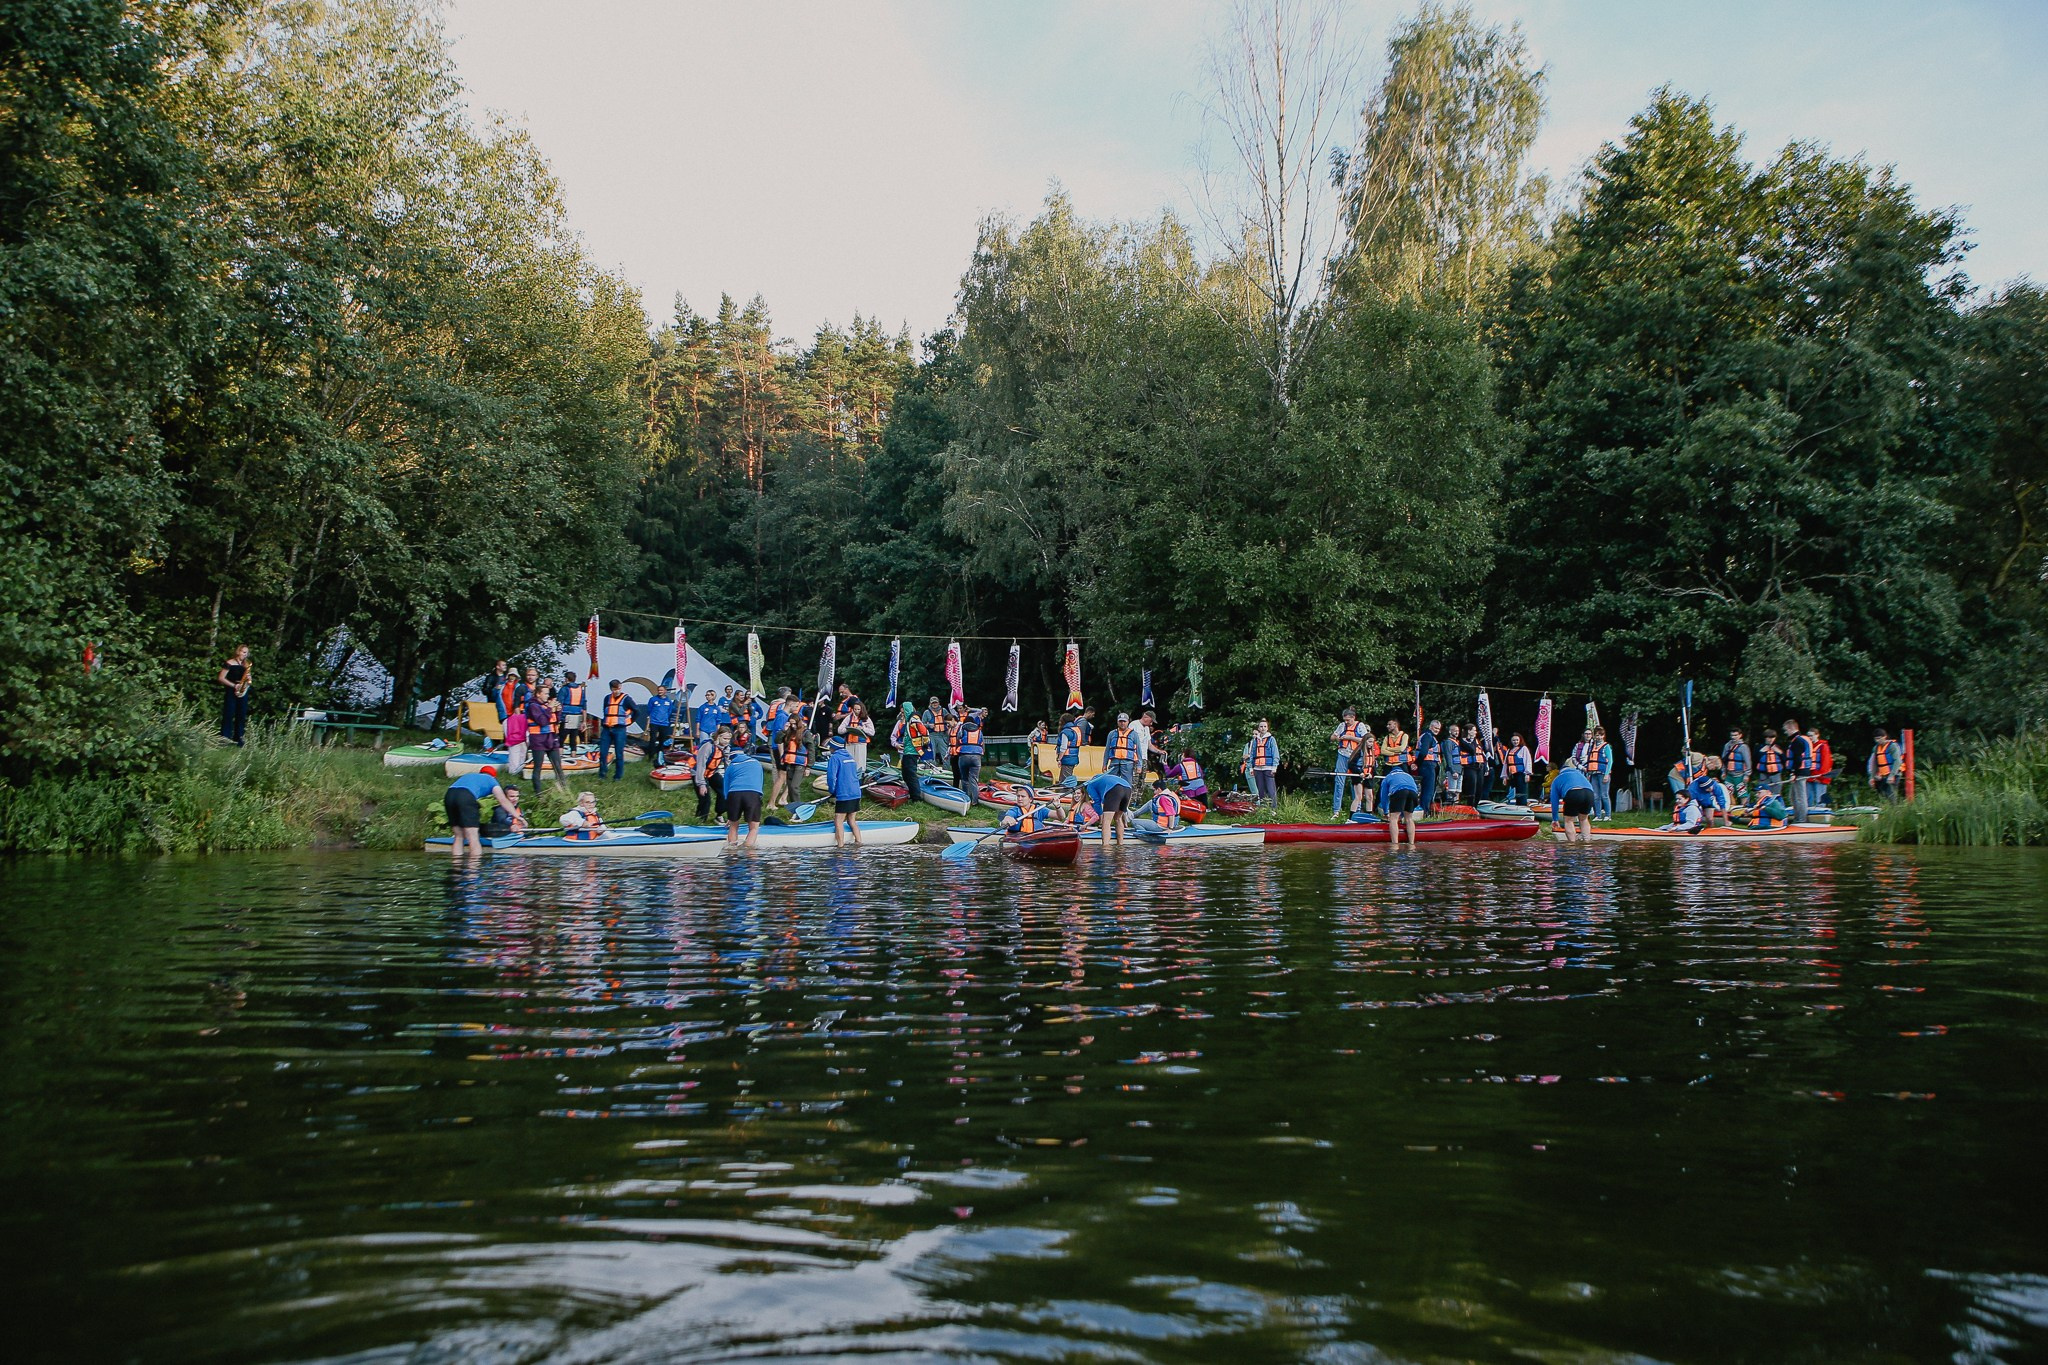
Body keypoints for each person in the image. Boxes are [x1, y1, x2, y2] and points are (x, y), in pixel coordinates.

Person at [443, 764, 508, 855]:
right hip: (465, 796)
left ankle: (456, 865)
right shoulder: (491, 780)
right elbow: (503, 801)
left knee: (459, 835)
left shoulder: (470, 776)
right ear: (494, 776)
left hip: (449, 795)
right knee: (473, 837)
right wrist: (517, 816)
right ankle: (474, 867)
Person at [722, 742, 765, 849]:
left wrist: (730, 813)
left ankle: (732, 852)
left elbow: (725, 788)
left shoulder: (731, 767)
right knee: (753, 828)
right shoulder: (756, 763)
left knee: (733, 826)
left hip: (734, 794)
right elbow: (760, 781)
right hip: (752, 793)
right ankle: (748, 851)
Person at [525, 684, 565, 792]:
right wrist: (550, 708)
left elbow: (556, 720)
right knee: (538, 767)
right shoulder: (533, 706)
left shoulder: (546, 705)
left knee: (558, 766)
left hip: (551, 738)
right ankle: (539, 794)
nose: (548, 696)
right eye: (546, 693)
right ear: (538, 694)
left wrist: (558, 711)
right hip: (538, 739)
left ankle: (564, 791)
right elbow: (542, 721)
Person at [596, 680, 639, 782]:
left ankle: (618, 776)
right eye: (614, 689)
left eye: (618, 688)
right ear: (611, 689)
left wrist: (630, 722)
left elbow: (637, 711)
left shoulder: (627, 699)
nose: (616, 691)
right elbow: (605, 711)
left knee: (619, 753)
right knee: (603, 752)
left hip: (619, 729)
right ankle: (602, 773)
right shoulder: (607, 698)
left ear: (621, 687)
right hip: (607, 729)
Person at [825, 739, 865, 846]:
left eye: (830, 746)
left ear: (833, 747)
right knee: (851, 820)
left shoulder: (834, 758)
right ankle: (859, 843)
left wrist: (832, 791)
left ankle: (840, 847)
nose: (829, 748)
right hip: (856, 792)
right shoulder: (850, 757)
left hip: (844, 793)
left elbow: (831, 777)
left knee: (838, 820)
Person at [1331, 709, 1368, 816]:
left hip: (1355, 757)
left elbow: (1366, 739)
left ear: (1353, 717)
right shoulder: (1342, 725)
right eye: (1345, 720)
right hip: (1342, 755)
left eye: (1348, 720)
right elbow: (1332, 737)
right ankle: (1336, 810)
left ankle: (1357, 810)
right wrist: (1336, 738)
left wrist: (1350, 737)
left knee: (1356, 782)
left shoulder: (1360, 726)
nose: (1346, 722)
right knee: (1339, 781)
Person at [1083, 768, 1134, 844]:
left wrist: (1101, 819)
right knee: (1118, 818)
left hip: (1114, 789)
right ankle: (1120, 844)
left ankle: (1106, 847)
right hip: (1128, 788)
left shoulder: (1090, 785)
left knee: (1106, 821)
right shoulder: (1105, 778)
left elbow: (1097, 802)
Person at [1378, 758, 1422, 847]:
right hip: (1413, 793)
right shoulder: (1409, 776)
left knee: (1393, 818)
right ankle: (1411, 844)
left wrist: (1386, 812)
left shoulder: (1388, 777)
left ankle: (1395, 844)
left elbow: (1384, 797)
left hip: (1399, 791)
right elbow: (1416, 791)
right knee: (1409, 818)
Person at [891, 704, 929, 803]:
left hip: (912, 751)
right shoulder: (909, 720)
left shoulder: (914, 719)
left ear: (908, 711)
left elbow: (924, 732)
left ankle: (916, 798)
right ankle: (911, 793)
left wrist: (925, 743)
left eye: (904, 712)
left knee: (911, 774)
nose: (902, 714)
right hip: (907, 751)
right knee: (905, 773)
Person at [1550, 762, 1596, 842]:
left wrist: (1555, 819)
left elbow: (1554, 801)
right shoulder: (1581, 775)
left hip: (1573, 793)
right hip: (1589, 793)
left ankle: (1572, 844)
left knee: (1569, 820)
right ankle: (1587, 842)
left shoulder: (1557, 779)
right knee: (1584, 819)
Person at [217, 644, 253, 744]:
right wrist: (234, 685)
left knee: (241, 714)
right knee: (228, 713)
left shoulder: (246, 665)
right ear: (238, 652)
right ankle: (225, 737)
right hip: (232, 689)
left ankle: (239, 737)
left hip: (242, 690)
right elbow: (221, 678)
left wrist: (249, 679)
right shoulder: (229, 663)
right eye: (243, 652)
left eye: (246, 653)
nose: (245, 655)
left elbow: (249, 680)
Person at [1783, 718, 1814, 824]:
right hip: (1799, 771)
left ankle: (1801, 819)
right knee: (1793, 796)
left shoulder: (1797, 741)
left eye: (1786, 730)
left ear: (1791, 729)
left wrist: (1793, 773)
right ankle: (1797, 817)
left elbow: (1798, 759)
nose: (1785, 732)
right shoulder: (1796, 740)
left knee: (1800, 797)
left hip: (1800, 772)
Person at [694, 727, 728, 823]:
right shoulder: (708, 746)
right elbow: (700, 765)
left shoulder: (726, 748)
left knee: (724, 790)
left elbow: (727, 764)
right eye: (724, 739)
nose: (726, 742)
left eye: (728, 739)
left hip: (711, 772)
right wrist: (701, 784)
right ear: (718, 737)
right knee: (705, 798)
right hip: (698, 772)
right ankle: (700, 820)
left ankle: (719, 814)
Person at [1244, 719, 1280, 809]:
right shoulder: (1256, 740)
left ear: (1267, 728)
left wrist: (1274, 767)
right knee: (1260, 790)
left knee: (1271, 790)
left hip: (1268, 767)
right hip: (1257, 768)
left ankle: (1273, 809)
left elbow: (1275, 753)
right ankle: (1263, 809)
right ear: (1258, 728)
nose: (1263, 728)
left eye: (1265, 726)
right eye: (1261, 726)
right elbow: (1252, 754)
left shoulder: (1271, 739)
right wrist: (1251, 767)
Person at [775, 713, 808, 810]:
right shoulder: (788, 732)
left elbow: (811, 749)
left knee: (794, 787)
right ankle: (794, 807)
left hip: (800, 763)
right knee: (790, 787)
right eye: (791, 724)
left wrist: (809, 766)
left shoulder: (805, 733)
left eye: (794, 724)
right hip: (789, 762)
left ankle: (799, 808)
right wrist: (784, 730)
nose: (793, 726)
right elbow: (778, 740)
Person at [955, 707, 987, 798]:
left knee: (964, 779)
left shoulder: (962, 729)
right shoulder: (979, 731)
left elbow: (958, 739)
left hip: (964, 755)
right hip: (976, 756)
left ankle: (966, 797)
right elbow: (982, 743)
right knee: (974, 779)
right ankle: (975, 800)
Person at [644, 684, 677, 766]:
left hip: (664, 723)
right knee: (653, 739)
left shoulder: (668, 701)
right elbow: (649, 710)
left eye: (661, 690)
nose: (660, 692)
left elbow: (669, 712)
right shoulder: (653, 699)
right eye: (659, 690)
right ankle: (650, 756)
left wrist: (665, 719)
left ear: (665, 691)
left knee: (662, 740)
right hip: (654, 722)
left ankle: (659, 756)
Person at [1415, 719, 1443, 813]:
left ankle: (1426, 810)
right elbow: (1423, 752)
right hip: (1427, 765)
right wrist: (1416, 763)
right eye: (1435, 728)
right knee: (1428, 790)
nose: (1437, 730)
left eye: (1438, 729)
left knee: (1428, 789)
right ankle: (1425, 811)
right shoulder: (1427, 736)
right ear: (1430, 727)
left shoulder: (1429, 736)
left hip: (1429, 764)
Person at [1103, 713, 1141, 782]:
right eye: (1120, 721)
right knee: (1112, 781)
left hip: (1128, 763)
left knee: (1126, 783)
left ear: (1128, 722)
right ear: (1117, 722)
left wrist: (1139, 765)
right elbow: (1107, 750)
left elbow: (1138, 750)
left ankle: (1126, 793)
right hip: (1114, 762)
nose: (1122, 723)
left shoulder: (1134, 734)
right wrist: (1104, 764)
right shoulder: (1112, 734)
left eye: (1124, 721)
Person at [838, 701, 875, 770]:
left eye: (858, 709)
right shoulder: (849, 718)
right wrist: (848, 729)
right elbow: (839, 730)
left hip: (860, 744)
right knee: (849, 761)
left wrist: (863, 728)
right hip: (850, 744)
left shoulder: (866, 719)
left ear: (862, 709)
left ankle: (860, 776)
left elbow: (872, 732)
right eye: (855, 709)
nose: (856, 711)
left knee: (860, 763)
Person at [1869, 728, 1903, 800]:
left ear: (1884, 736)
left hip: (1893, 774)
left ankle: (1894, 810)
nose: (1877, 741)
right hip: (1882, 776)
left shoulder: (1893, 746)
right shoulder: (1876, 748)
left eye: (1879, 738)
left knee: (1891, 796)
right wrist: (1872, 777)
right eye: (1876, 739)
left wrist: (1892, 775)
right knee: (1883, 797)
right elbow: (1874, 763)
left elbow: (1897, 761)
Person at [1721, 728, 1753, 803]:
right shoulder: (1727, 745)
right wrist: (1723, 771)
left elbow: (1748, 761)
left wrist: (1747, 775)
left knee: (1742, 793)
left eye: (1735, 735)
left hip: (1740, 774)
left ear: (1740, 735)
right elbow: (1724, 760)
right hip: (1729, 774)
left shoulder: (1743, 747)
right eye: (1732, 735)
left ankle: (1744, 809)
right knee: (1728, 792)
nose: (1733, 737)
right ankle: (1732, 808)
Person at [558, 672, 589, 750]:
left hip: (567, 716)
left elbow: (559, 703)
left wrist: (558, 717)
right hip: (577, 715)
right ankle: (573, 753)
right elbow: (584, 706)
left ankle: (558, 756)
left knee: (561, 738)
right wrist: (584, 721)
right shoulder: (580, 690)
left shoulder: (564, 689)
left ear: (566, 679)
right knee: (573, 738)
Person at [1590, 727, 1614, 819]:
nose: (1598, 737)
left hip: (1603, 773)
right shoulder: (1593, 746)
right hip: (1594, 773)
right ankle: (1598, 815)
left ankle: (1608, 815)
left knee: (1604, 795)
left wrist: (1607, 774)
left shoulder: (1606, 746)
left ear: (1603, 736)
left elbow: (1610, 761)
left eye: (1600, 735)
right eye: (1597, 735)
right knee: (1596, 795)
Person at [1809, 725, 1835, 813]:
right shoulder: (1809, 747)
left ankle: (1821, 815)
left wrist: (1820, 777)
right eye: (1809, 736)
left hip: (1820, 777)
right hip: (1810, 777)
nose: (1810, 737)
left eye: (1812, 735)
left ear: (1817, 735)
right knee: (1810, 798)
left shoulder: (1823, 746)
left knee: (1820, 799)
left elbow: (1826, 763)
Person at [504, 698, 530, 780]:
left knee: (521, 751)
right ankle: (514, 772)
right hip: (513, 731)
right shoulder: (531, 720)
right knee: (516, 753)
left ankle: (518, 770)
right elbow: (528, 735)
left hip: (514, 728)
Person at [1057, 711, 1084, 787]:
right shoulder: (1075, 730)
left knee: (1066, 780)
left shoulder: (1066, 732)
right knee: (1065, 778)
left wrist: (1059, 759)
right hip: (1073, 757)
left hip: (1067, 758)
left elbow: (1063, 747)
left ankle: (1065, 794)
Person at [1441, 724, 1464, 810]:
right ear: (1450, 731)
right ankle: (1450, 808)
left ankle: (1456, 806)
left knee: (1458, 790)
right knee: (1452, 789)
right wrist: (1452, 770)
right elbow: (1448, 756)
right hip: (1453, 769)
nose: (1457, 732)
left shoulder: (1457, 742)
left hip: (1460, 769)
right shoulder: (1448, 742)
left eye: (1458, 731)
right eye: (1455, 731)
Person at [1757, 729, 1785, 799]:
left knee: (1777, 794)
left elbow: (1785, 759)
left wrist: (1780, 752)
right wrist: (1761, 752)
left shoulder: (1778, 747)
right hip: (1764, 774)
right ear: (1765, 738)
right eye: (1768, 737)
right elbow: (1754, 760)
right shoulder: (1759, 747)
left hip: (1776, 774)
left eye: (1772, 737)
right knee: (1763, 793)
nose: (1770, 740)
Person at [1506, 733, 1533, 804]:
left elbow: (1528, 761)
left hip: (1521, 773)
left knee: (1522, 791)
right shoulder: (1509, 750)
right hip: (1512, 774)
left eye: (1517, 740)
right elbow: (1505, 764)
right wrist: (1505, 776)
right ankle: (1516, 804)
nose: (1515, 742)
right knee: (1514, 791)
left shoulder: (1524, 749)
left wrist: (1527, 773)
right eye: (1514, 740)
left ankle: (1523, 804)